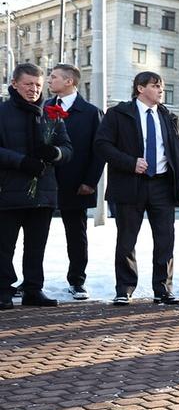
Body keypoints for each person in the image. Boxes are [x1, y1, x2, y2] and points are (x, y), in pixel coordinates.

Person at [95, 71, 179, 306]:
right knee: (127, 239)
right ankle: (124, 289)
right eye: (156, 85)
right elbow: (101, 145)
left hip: (162, 185)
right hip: (130, 184)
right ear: (140, 88)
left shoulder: (169, 118)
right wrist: (130, 163)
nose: (161, 90)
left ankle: (163, 289)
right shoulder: (118, 114)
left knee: (165, 239)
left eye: (162, 86)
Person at [0, 64, 72, 308]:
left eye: (38, 85)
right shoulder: (2, 112)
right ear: (15, 84)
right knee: (4, 246)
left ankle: (33, 289)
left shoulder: (52, 113)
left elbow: (68, 149)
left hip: (43, 191)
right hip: (8, 190)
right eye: (28, 84)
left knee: (36, 246)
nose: (34, 89)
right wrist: (22, 162)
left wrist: (55, 152)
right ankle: (3, 290)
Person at [45, 63, 103, 300]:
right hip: (44, 182)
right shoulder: (44, 107)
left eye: (54, 77)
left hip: (76, 184)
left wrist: (90, 181)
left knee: (76, 235)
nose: (49, 80)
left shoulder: (90, 112)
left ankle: (77, 281)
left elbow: (98, 151)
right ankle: (31, 281)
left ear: (69, 81)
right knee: (34, 233)